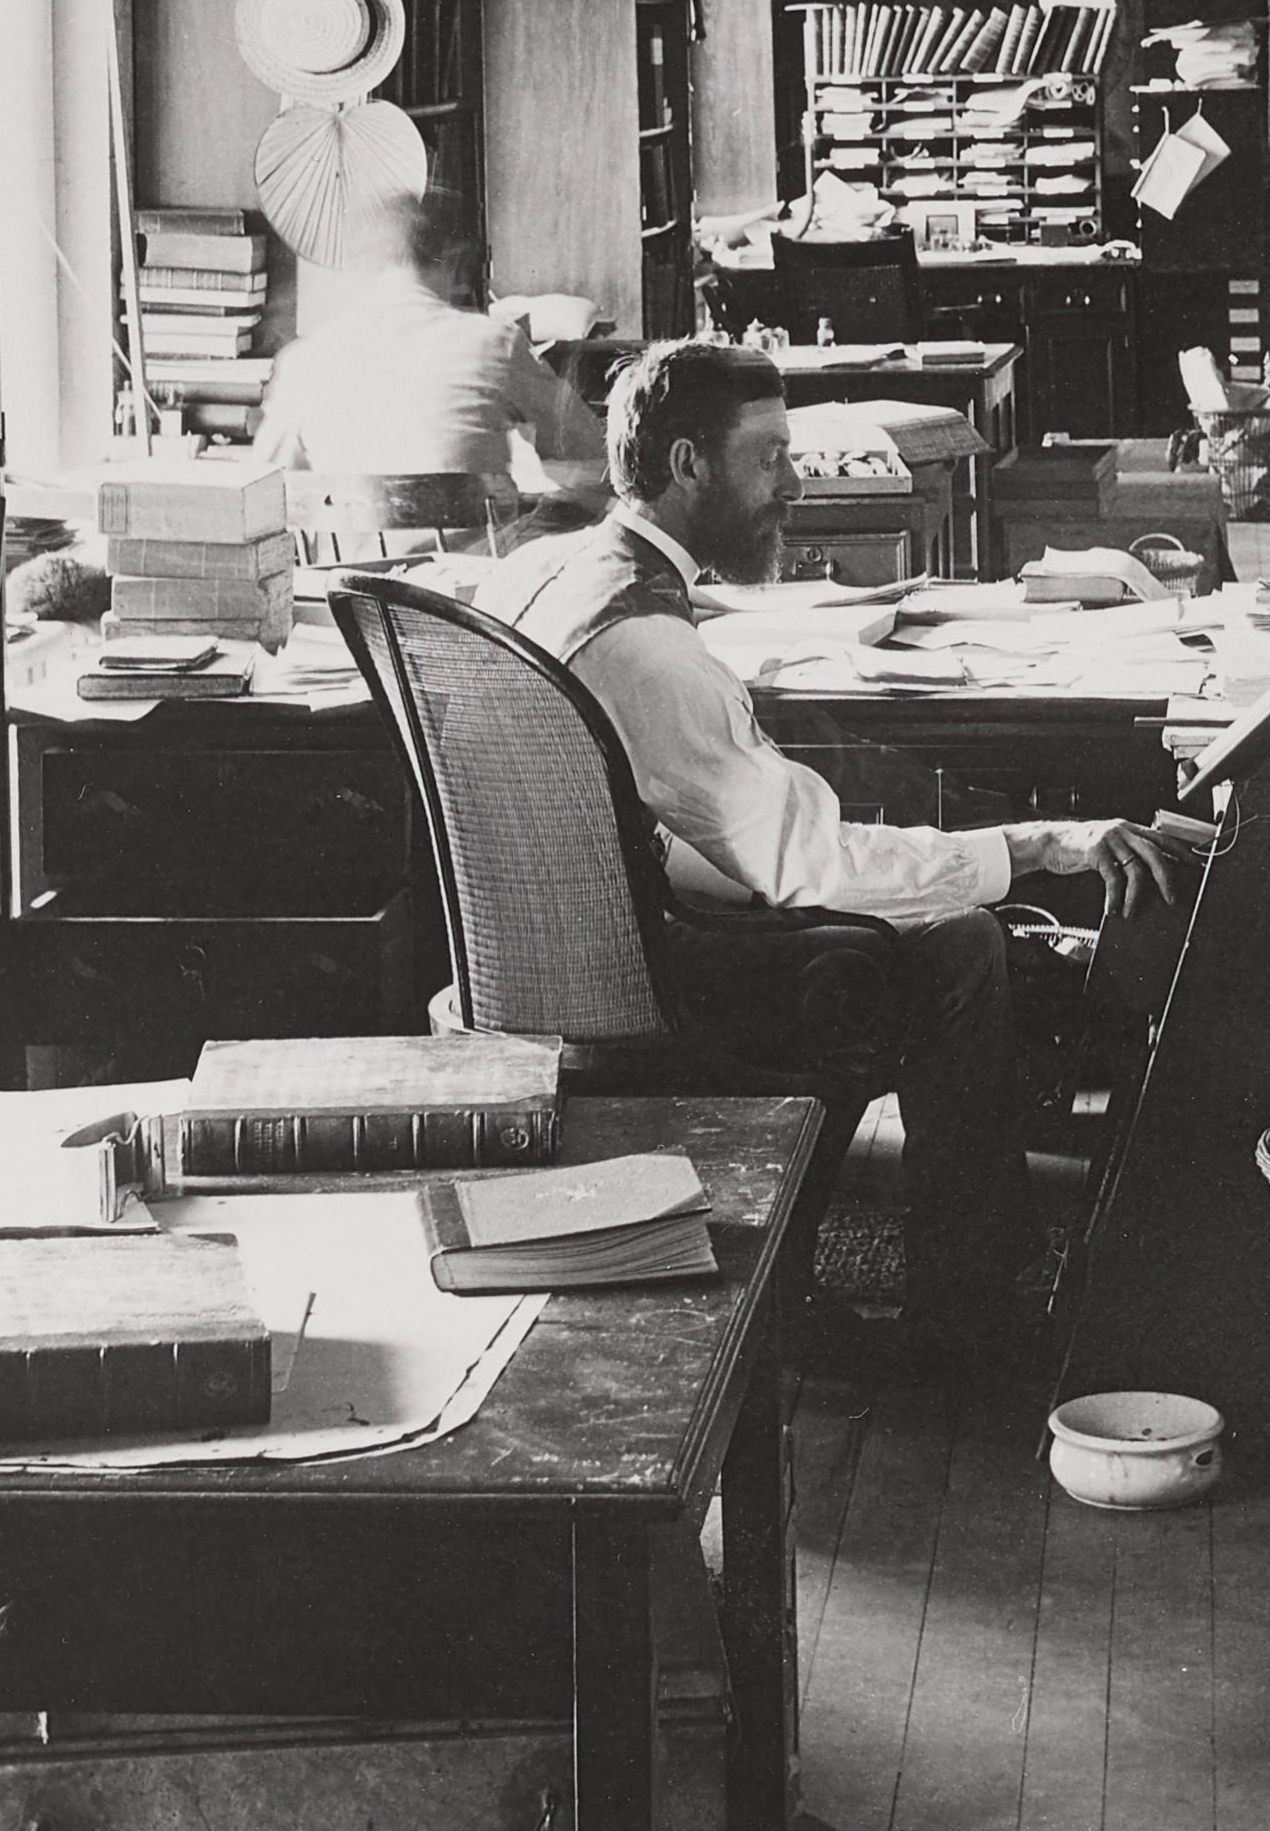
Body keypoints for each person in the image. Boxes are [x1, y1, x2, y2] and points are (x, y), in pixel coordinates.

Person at [471, 339, 1220, 1372]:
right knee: (959, 949)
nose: (793, 483)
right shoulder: (646, 646)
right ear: (687, 464)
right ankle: (968, 1322)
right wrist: (1042, 841)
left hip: (552, 946)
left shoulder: (547, 566)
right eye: (769, 457)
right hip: (644, 981)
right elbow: (807, 869)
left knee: (919, 889)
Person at [256, 180, 595, 538]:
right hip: (472, 588)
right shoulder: (494, 341)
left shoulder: (304, 361)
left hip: (343, 585)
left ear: (362, 265)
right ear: (454, 261)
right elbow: (596, 453)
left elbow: (261, 486)